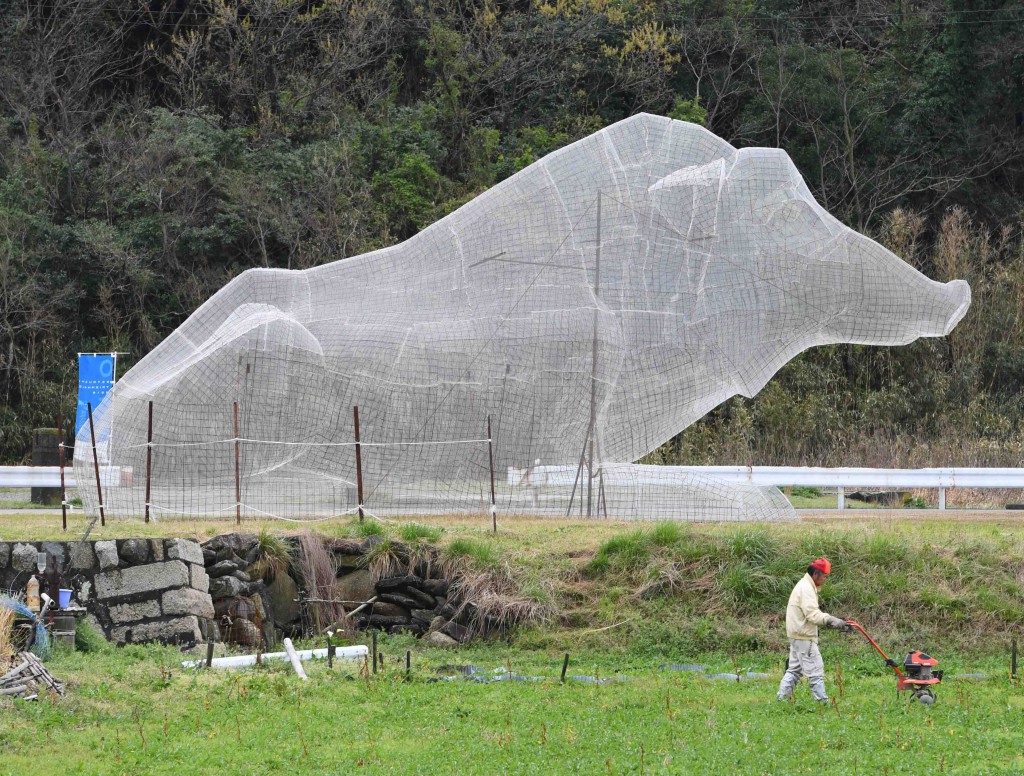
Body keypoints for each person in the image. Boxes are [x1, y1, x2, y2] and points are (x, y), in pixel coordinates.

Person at [776, 557, 851, 702]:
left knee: (794, 670)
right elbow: (812, 614)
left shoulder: (804, 585)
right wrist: (831, 620)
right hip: (804, 636)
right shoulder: (806, 589)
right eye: (824, 576)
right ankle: (822, 702)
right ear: (816, 574)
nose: (825, 579)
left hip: (796, 634)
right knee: (816, 670)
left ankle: (782, 698)